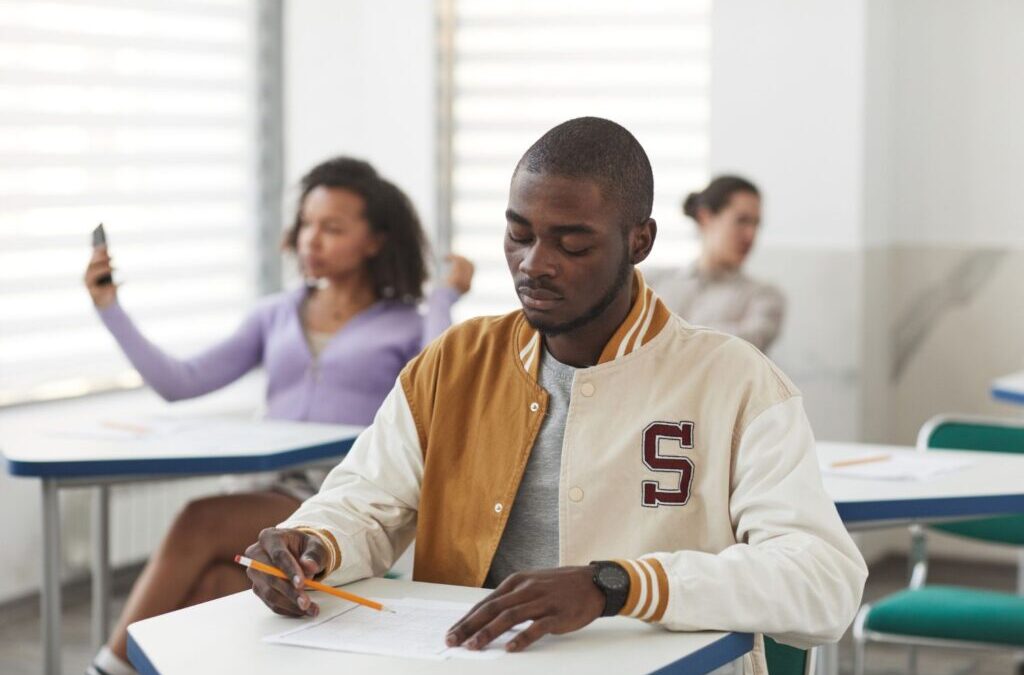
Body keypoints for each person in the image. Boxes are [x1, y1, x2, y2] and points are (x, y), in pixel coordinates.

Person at [244, 119, 866, 674]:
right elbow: (365, 505)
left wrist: (616, 585)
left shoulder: (735, 381)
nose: (534, 264)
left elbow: (826, 580)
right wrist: (313, 542)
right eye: (518, 235)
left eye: (572, 244)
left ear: (639, 242)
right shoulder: (455, 363)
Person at [82, 157, 474, 675]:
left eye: (332, 228)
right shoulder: (275, 314)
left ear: (375, 241)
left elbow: (443, 395)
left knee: (198, 520)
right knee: (214, 590)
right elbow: (179, 383)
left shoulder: (407, 324)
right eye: (307, 224)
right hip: (262, 488)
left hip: (328, 495)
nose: (312, 239)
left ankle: (107, 667)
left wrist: (443, 299)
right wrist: (110, 309)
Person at [645, 175, 785, 352]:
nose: (751, 235)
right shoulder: (652, 282)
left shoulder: (764, 297)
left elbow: (742, 347)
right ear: (705, 218)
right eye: (742, 220)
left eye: (756, 224)